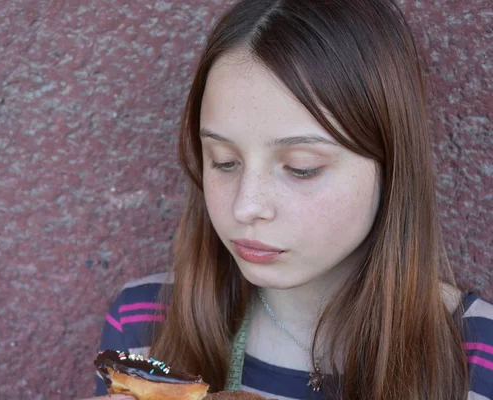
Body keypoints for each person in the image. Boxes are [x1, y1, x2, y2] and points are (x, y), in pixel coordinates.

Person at [89, 0, 493, 399]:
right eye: (224, 161)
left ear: (390, 165)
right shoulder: (143, 327)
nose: (246, 207)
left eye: (302, 167)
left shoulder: (478, 358)